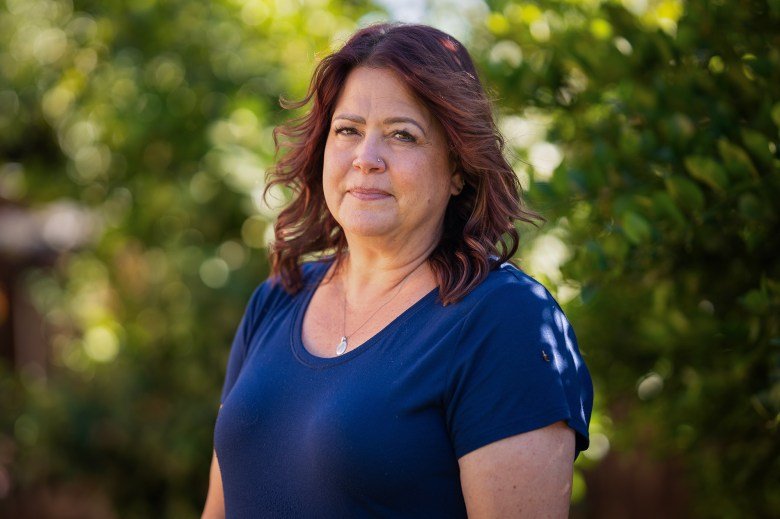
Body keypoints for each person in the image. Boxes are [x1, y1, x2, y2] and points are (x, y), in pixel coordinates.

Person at [202, 22, 593, 518]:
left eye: (402, 135)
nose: (366, 158)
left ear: (457, 168)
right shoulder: (279, 297)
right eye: (348, 130)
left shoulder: (506, 321)